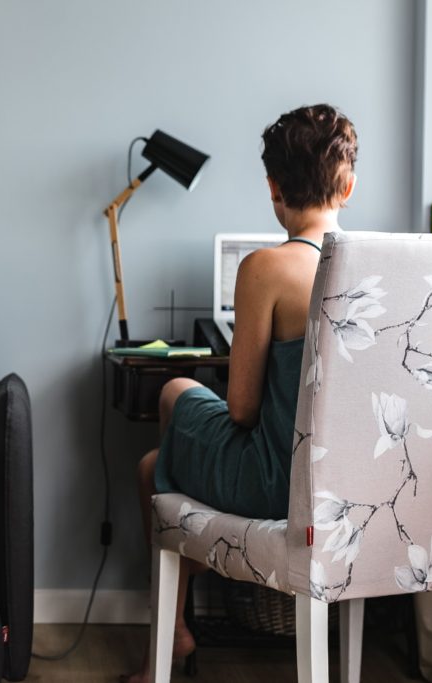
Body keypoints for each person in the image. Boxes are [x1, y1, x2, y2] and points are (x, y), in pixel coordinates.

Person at [124, 104, 358, 683]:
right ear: (347, 187)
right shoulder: (382, 273)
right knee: (154, 469)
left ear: (273, 188)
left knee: (176, 393)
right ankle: (184, 605)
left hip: (278, 486)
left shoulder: (265, 269)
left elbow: (243, 408)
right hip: (354, 490)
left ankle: (177, 620)